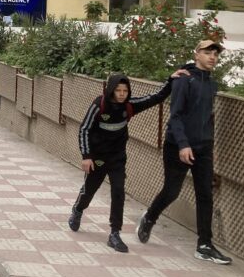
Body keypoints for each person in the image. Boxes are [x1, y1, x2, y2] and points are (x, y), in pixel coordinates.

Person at [136, 40, 232, 265]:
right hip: (177, 145)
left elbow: (207, 116)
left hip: (204, 147)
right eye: (207, 53)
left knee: (205, 195)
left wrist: (207, 143)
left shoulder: (211, 84)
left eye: (215, 54)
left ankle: (204, 245)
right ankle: (149, 217)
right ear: (196, 54)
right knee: (171, 191)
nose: (212, 57)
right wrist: (183, 145)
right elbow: (176, 115)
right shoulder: (183, 79)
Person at [69, 72, 176, 252]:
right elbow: (85, 129)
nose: (121, 94)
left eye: (125, 90)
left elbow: (156, 98)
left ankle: (114, 233)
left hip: (117, 158)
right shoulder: (99, 105)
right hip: (98, 159)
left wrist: (172, 80)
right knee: (89, 190)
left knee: (118, 191)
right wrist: (86, 156)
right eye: (118, 90)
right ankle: (78, 209)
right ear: (111, 90)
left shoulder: (130, 106)